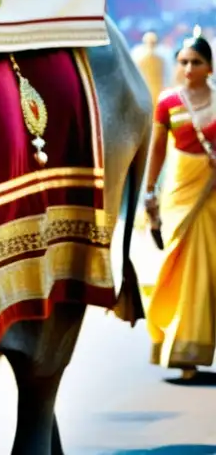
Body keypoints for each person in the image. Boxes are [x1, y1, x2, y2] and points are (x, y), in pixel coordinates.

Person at [144, 26, 216, 380]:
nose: (189, 68)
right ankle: (181, 350)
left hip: (213, 193)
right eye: (184, 61)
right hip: (179, 193)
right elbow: (157, 150)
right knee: (179, 267)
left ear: (210, 68)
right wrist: (148, 192)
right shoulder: (167, 102)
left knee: (211, 273)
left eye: (197, 62)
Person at [133, 31, 169, 109]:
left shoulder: (161, 60)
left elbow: (166, 77)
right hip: (145, 91)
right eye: (149, 42)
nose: (151, 44)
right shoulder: (140, 60)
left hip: (159, 91)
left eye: (153, 42)